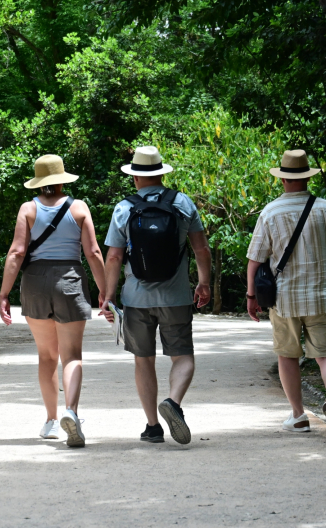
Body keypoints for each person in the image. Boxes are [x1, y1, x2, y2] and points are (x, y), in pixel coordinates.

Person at [100, 146, 212, 445]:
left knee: (143, 360)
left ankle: (152, 427)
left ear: (135, 177)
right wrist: (203, 283)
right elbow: (201, 248)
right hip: (176, 296)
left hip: (136, 300)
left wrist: (108, 297)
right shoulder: (182, 203)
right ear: (161, 174)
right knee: (183, 357)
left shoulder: (125, 208)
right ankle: (173, 402)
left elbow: (113, 257)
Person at [0, 155, 107, 448]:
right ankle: (70, 412)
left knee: (47, 356)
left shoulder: (28, 208)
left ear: (39, 182)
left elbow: (17, 252)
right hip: (70, 278)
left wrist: (3, 293)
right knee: (71, 355)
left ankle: (50, 421)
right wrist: (105, 291)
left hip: (34, 281)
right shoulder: (79, 207)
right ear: (61, 180)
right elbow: (94, 253)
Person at [245, 149, 326, 439]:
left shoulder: (270, 212)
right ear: (307, 177)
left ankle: (298, 415)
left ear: (283, 180)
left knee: (287, 356)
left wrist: (251, 297)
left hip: (284, 300)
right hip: (321, 297)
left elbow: (255, 261)